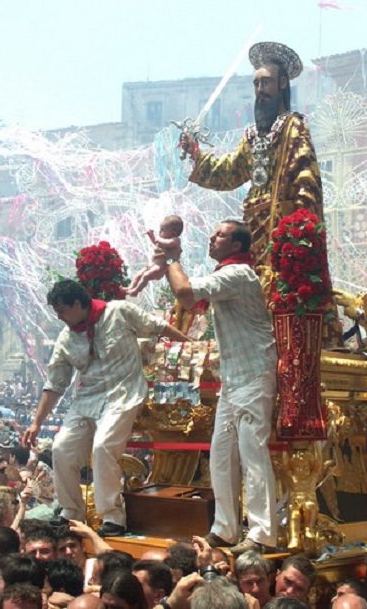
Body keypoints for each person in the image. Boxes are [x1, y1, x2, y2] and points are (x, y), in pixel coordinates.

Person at [180, 41, 341, 347]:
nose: (260, 89)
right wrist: (196, 154)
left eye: (266, 82)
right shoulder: (252, 136)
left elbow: (306, 181)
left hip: (282, 226)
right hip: (254, 227)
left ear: (282, 84)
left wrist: (299, 230)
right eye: (255, 83)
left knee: (282, 285)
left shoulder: (293, 127)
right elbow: (230, 171)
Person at [24, 279, 189, 537]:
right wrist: (36, 423)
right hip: (86, 400)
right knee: (60, 448)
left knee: (102, 447)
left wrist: (192, 346)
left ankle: (112, 517)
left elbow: (158, 327)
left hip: (123, 395)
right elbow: (55, 383)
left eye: (62, 311)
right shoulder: (66, 338)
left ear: (77, 304)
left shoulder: (119, 311)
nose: (60, 318)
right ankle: (71, 513)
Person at [165, 219, 277, 555]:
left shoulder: (239, 274)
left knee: (252, 455)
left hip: (255, 372)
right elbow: (185, 297)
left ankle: (261, 534)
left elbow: (185, 293)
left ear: (238, 246)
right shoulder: (227, 274)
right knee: (221, 456)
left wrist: (172, 258)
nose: (213, 238)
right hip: (234, 378)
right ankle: (225, 529)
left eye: (221, 235)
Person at [125, 215, 184, 297]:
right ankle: (130, 288)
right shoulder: (163, 240)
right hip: (153, 265)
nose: (159, 232)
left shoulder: (175, 241)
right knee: (138, 274)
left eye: (162, 230)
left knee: (146, 276)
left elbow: (170, 243)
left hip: (162, 267)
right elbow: (156, 242)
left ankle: (136, 291)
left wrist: (158, 239)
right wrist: (152, 236)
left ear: (173, 233)